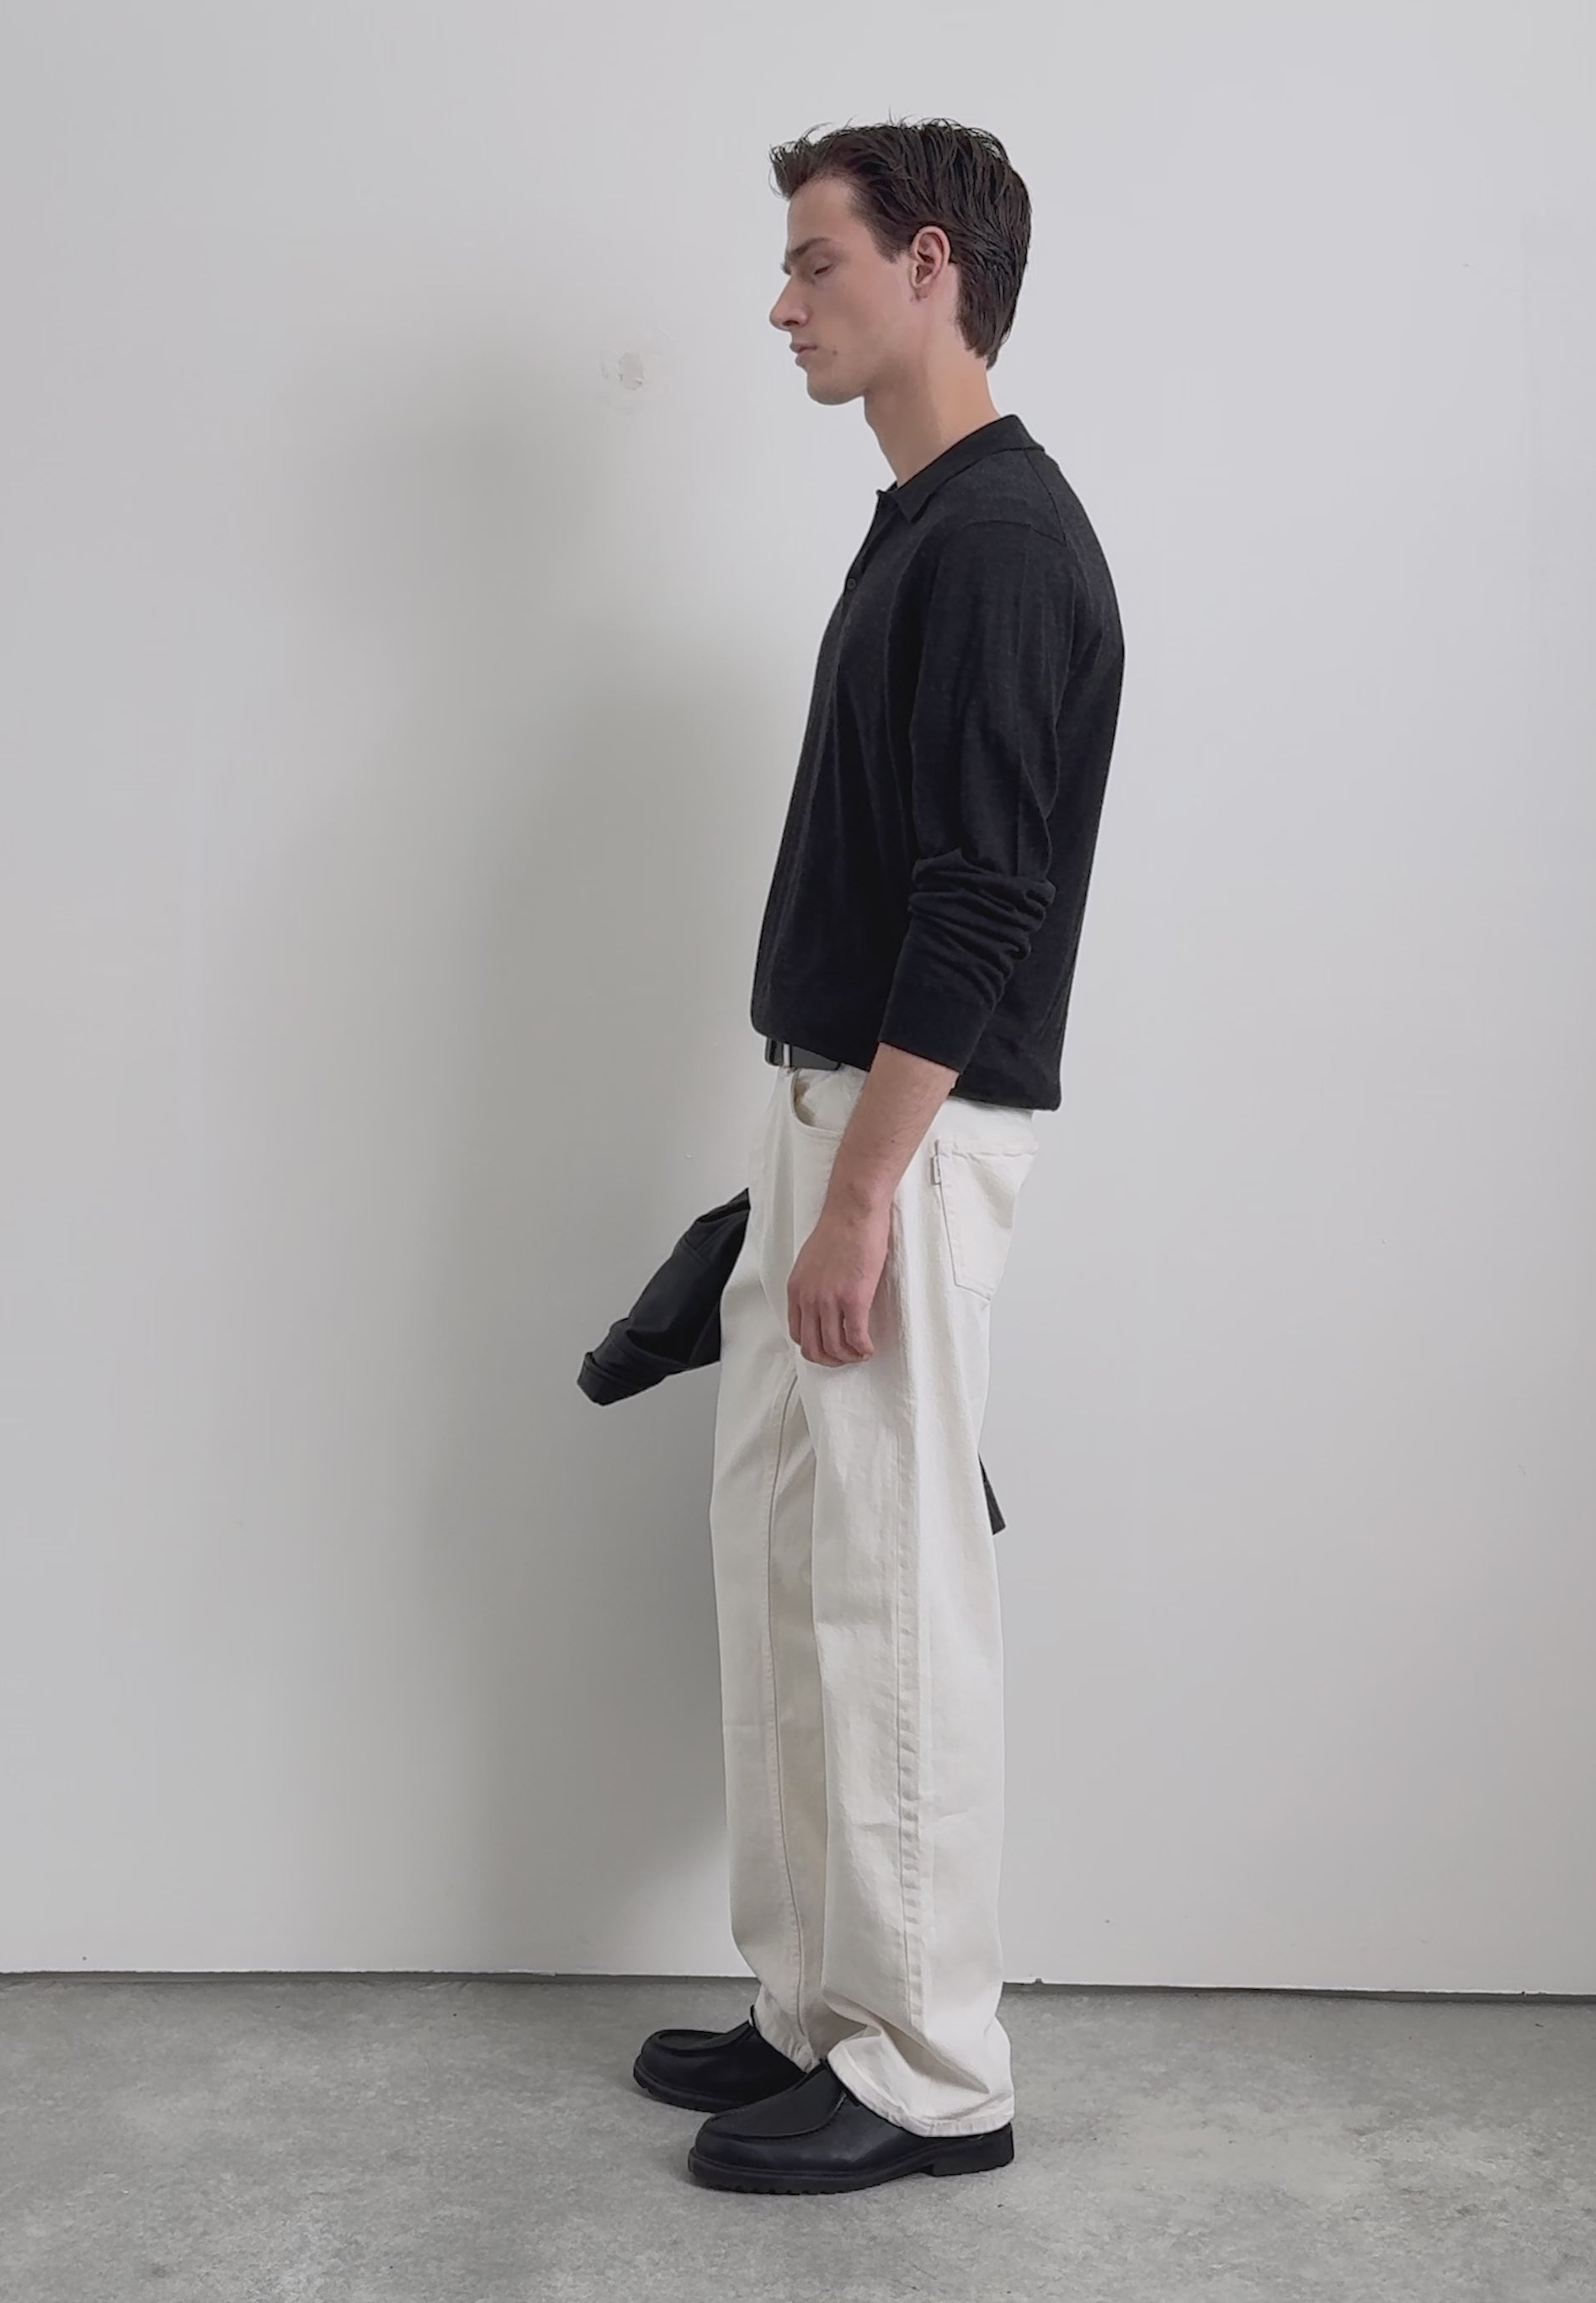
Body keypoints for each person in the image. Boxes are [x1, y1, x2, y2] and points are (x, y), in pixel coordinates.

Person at [634, 116, 1125, 2194]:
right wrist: (797, 1165)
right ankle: (811, 2003)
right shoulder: (923, 522)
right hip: (835, 1114)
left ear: (930, 266)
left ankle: (929, 2070)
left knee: (890, 1602)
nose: (780, 304)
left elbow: (984, 894)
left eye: (813, 262)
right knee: (786, 1580)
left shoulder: (1001, 542)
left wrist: (857, 1196)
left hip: (899, 1139)